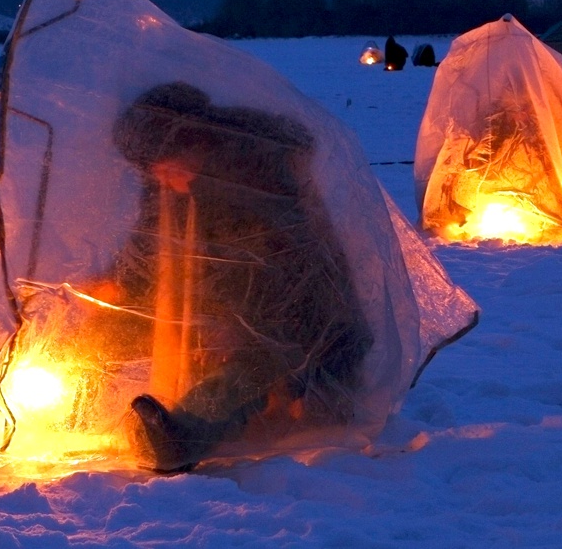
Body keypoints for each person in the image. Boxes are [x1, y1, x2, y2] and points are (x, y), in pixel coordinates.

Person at [102, 82, 374, 472]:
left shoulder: (255, 184)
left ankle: (182, 437)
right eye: (150, 170)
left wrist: (236, 328)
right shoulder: (178, 183)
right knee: (120, 324)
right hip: (230, 315)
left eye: (161, 165)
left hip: (311, 331)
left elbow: (282, 283)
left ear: (193, 144)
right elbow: (149, 249)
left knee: (249, 368)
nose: (158, 178)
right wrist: (115, 284)